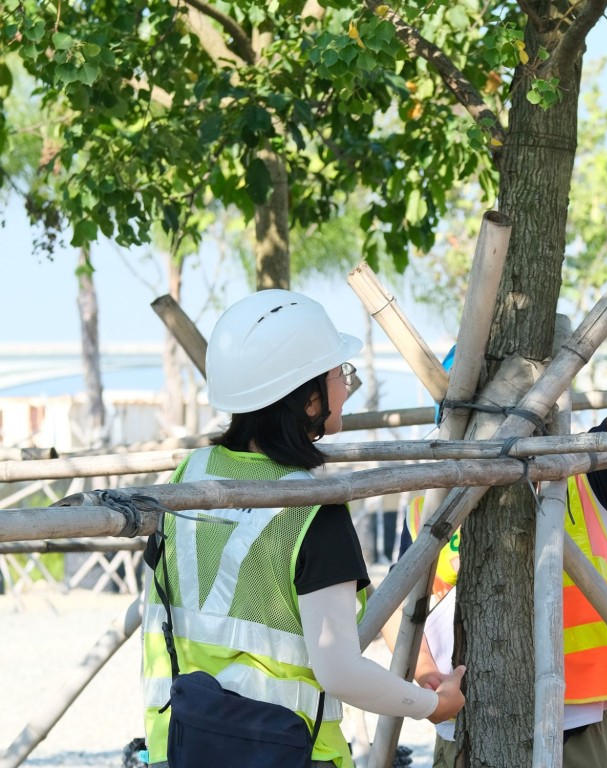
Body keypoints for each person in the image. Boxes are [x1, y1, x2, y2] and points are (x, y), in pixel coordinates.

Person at [394, 226, 607, 768]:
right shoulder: (431, 497)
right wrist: (422, 678)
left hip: (574, 722)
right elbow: (398, 601)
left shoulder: (581, 478)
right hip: (464, 722)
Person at [139, 290, 466, 768]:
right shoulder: (311, 508)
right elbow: (339, 672)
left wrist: (416, 669)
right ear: (309, 398)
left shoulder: (189, 474)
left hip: (179, 745)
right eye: (339, 375)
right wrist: (434, 707)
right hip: (289, 753)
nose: (346, 387)